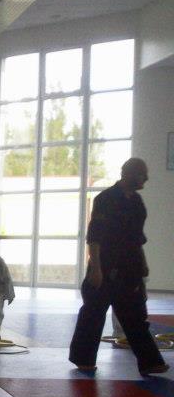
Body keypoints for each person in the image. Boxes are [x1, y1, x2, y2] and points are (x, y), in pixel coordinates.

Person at [69, 157, 168, 376]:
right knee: (93, 314)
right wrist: (96, 268)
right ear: (128, 173)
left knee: (135, 316)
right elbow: (94, 237)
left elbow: (137, 238)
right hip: (105, 265)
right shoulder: (105, 199)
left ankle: (150, 362)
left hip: (130, 267)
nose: (146, 178)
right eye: (142, 173)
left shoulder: (137, 203)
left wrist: (143, 264)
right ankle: (83, 358)